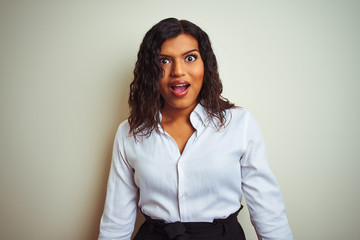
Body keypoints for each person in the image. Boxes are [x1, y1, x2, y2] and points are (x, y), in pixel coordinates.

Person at [98, 18, 293, 240]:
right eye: (164, 60)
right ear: (150, 71)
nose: (178, 71)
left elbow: (269, 214)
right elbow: (116, 223)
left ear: (205, 65)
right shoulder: (129, 132)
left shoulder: (240, 124)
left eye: (190, 58)